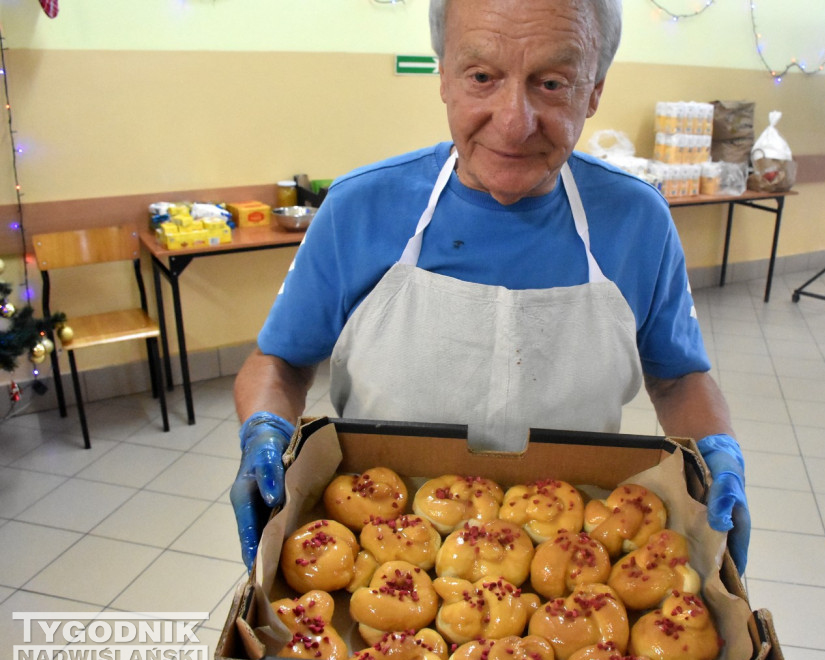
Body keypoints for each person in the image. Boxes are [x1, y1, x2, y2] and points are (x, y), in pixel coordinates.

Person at [231, 0, 750, 577]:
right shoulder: (360, 209)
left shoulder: (636, 221)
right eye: (482, 77)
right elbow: (278, 362)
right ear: (445, 77)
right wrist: (265, 431)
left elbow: (678, 379)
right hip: (380, 551)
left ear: (594, 92)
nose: (513, 121)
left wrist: (717, 455)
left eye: (552, 83)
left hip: (574, 565)